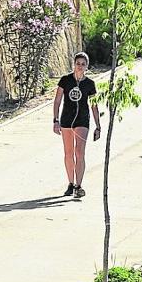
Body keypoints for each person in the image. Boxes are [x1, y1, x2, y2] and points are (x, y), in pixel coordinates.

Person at [51, 53, 102, 198]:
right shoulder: (65, 80)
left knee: (79, 152)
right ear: (74, 64)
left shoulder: (90, 84)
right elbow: (57, 101)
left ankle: (79, 185)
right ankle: (70, 183)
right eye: (78, 63)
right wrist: (55, 120)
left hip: (82, 120)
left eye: (83, 64)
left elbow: (93, 105)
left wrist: (98, 126)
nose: (80, 66)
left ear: (87, 66)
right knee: (68, 153)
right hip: (66, 119)